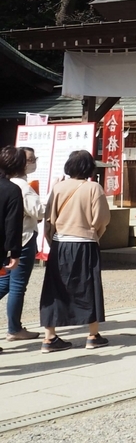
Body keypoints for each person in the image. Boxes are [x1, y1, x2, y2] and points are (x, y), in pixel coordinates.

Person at [39, 149, 109, 353]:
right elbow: (102, 218)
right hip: (85, 243)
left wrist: (52, 240)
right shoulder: (94, 188)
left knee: (54, 289)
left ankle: (49, 337)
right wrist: (94, 233)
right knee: (89, 286)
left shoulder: (58, 188)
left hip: (60, 243)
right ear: (89, 168)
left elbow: (48, 219)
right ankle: (92, 334)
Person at [0, 146, 44, 344]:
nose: (33, 162)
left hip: (8, 242)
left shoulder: (7, 183)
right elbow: (39, 212)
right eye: (30, 159)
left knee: (6, 283)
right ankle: (14, 328)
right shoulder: (21, 187)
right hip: (22, 240)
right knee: (17, 286)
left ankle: (14, 327)